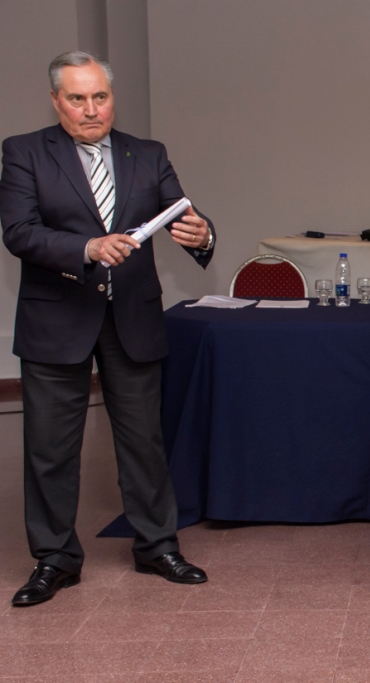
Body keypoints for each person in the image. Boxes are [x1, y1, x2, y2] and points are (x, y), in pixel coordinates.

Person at [0, 52, 214, 607]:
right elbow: (19, 232)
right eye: (77, 98)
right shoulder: (24, 152)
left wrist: (201, 234)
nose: (91, 109)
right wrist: (87, 248)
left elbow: (182, 212)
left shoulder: (148, 154)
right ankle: (55, 559)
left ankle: (157, 546)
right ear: (55, 100)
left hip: (132, 318)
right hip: (57, 319)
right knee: (50, 448)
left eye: (100, 97)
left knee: (144, 442)